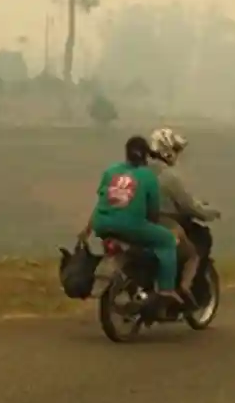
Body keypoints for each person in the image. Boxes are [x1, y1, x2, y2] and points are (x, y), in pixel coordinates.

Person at [78, 135, 183, 306]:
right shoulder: (148, 177)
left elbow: (101, 202)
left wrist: (87, 230)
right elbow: (153, 211)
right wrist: (149, 223)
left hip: (103, 225)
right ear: (146, 156)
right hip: (132, 227)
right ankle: (166, 289)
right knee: (168, 240)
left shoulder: (111, 171)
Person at [148, 127, 221, 302]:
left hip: (140, 222)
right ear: (167, 150)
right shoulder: (168, 177)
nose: (177, 154)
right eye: (176, 149)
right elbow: (187, 205)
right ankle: (183, 288)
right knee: (193, 251)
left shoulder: (140, 171)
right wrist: (209, 213)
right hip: (164, 223)